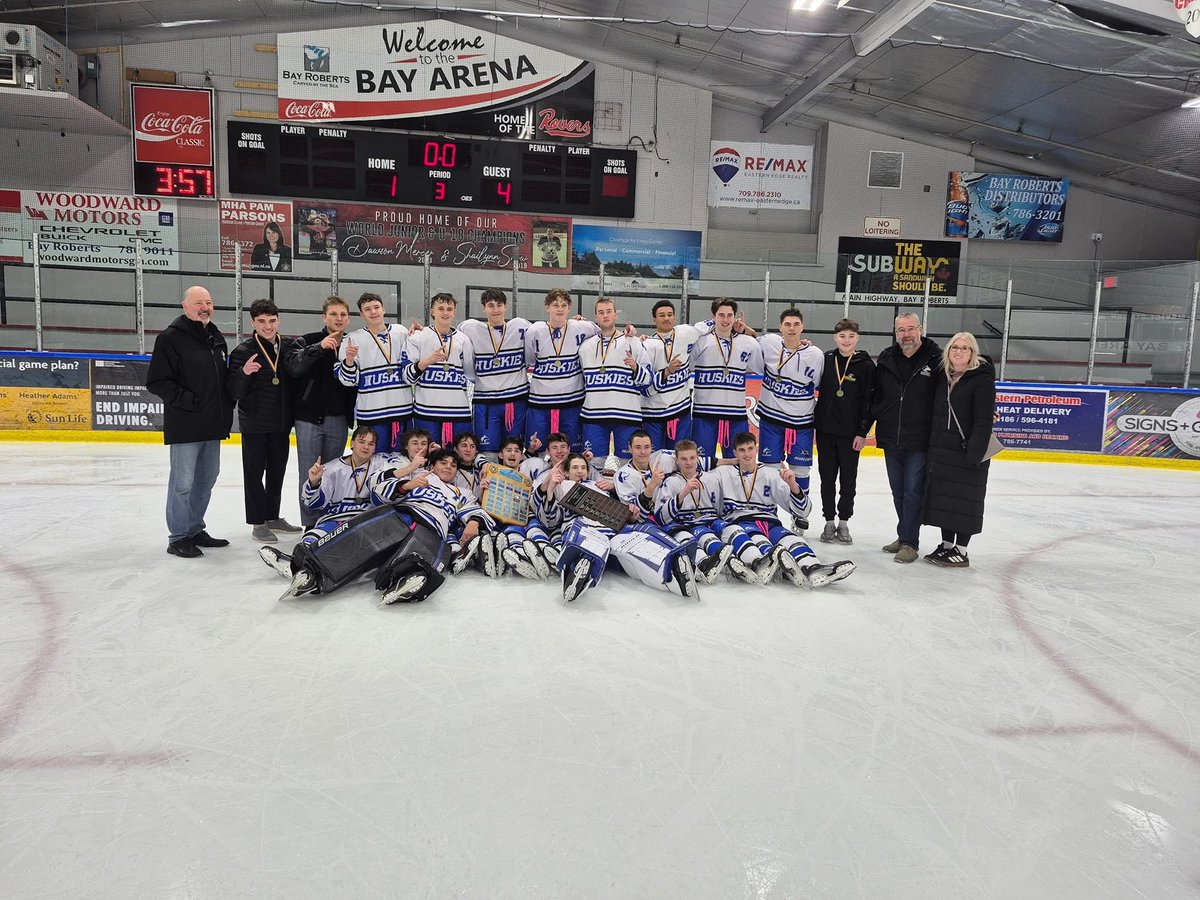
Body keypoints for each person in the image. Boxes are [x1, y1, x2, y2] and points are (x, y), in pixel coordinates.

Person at [146, 285, 234, 558]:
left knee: (206, 479)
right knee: (183, 483)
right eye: (199, 303)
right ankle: (178, 537)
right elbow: (157, 381)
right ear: (185, 306)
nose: (205, 307)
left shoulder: (216, 337)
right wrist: (190, 402)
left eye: (208, 302)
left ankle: (195, 529)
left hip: (212, 425)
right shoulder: (170, 338)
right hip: (186, 425)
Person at [536, 453, 697, 602]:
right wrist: (550, 490)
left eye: (583, 467)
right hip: (584, 527)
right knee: (588, 545)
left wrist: (631, 514)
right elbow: (550, 521)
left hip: (613, 531)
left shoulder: (600, 486)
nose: (580, 471)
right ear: (566, 472)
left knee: (639, 543)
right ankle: (576, 571)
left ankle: (672, 567)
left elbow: (620, 512)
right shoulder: (561, 486)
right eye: (575, 468)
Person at [708, 432, 854, 589]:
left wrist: (793, 485)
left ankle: (813, 569)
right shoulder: (723, 473)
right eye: (741, 450)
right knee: (756, 538)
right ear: (735, 453)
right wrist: (724, 461)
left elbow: (803, 511)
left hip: (769, 524)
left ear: (756, 450)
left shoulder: (771, 474)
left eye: (750, 448)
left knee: (793, 540)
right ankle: (761, 563)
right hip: (740, 523)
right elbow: (692, 466)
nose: (747, 454)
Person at [228, 298, 302, 542]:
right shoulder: (243, 352)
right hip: (255, 423)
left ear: (278, 321)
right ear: (253, 322)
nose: (267, 326)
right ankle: (258, 523)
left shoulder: (289, 346)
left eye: (272, 320)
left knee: (277, 472)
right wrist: (244, 373)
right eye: (261, 321)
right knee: (254, 474)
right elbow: (233, 391)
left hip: (281, 423)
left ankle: (272, 516)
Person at [870, 311, 941, 564]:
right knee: (898, 491)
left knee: (913, 492)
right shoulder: (887, 358)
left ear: (920, 329)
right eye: (901, 330)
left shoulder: (936, 359)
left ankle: (910, 542)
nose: (906, 334)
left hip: (920, 439)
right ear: (895, 332)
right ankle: (904, 536)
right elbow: (877, 395)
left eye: (911, 329)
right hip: (891, 436)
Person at [921, 332, 996, 568]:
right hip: (943, 450)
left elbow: (984, 421)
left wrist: (975, 453)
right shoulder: (943, 376)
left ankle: (961, 550)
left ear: (973, 353)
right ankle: (946, 545)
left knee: (965, 501)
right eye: (955, 347)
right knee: (945, 499)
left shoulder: (981, 380)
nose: (959, 352)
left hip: (969, 452)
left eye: (965, 348)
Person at [285, 295, 356, 528]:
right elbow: (293, 367)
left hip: (338, 419)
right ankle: (309, 524)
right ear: (324, 318)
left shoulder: (353, 343)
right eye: (333, 314)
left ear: (348, 319)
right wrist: (319, 348)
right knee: (309, 473)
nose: (339, 318)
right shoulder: (308, 341)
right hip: (308, 420)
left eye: (343, 314)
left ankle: (327, 522)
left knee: (332, 473)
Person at [814, 318, 875, 545]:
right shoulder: (826, 359)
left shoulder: (866, 366)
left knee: (848, 481)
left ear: (857, 338)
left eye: (850, 336)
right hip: (825, 432)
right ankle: (829, 521)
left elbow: (869, 401)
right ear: (835, 337)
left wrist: (862, 432)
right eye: (842, 336)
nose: (846, 340)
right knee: (827, 479)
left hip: (851, 435)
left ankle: (844, 522)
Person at [755, 309, 823, 500]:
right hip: (771, 421)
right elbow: (751, 340)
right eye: (787, 324)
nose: (791, 328)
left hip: (801, 424)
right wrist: (744, 329)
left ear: (802, 327)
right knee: (770, 469)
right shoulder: (769, 342)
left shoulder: (815, 355)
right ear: (780, 327)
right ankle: (769, 512)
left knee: (800, 470)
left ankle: (798, 512)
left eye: (796, 324)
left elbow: (819, 385)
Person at [578, 297, 650, 473]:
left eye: (609, 311)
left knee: (628, 467)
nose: (605, 315)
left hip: (627, 415)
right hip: (594, 415)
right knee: (592, 465)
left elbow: (649, 380)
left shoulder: (633, 342)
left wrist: (635, 368)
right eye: (601, 312)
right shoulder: (586, 347)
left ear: (615, 315)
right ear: (595, 317)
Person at [524, 287, 599, 452]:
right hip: (540, 403)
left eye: (564, 305)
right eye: (555, 305)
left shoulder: (583, 328)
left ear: (569, 308)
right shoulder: (535, 331)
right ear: (547, 307)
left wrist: (632, 334)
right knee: (535, 450)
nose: (560, 309)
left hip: (572, 403)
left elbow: (606, 335)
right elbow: (529, 360)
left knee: (572, 452)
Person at [458, 288, 531, 456]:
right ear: (483, 308)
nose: (495, 309)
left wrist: (574, 324)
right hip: (486, 403)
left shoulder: (520, 326)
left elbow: (548, 332)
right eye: (490, 305)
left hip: (516, 401)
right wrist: (420, 330)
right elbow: (447, 335)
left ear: (506, 306)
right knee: (488, 452)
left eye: (499, 304)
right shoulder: (470, 328)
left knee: (514, 451)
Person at [337, 292, 413, 453]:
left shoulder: (401, 332)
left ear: (383, 309)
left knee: (402, 461)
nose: (373, 312)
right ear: (361, 314)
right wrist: (349, 360)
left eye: (376, 307)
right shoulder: (352, 339)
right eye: (367, 309)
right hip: (371, 416)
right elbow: (348, 381)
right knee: (372, 462)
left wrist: (419, 333)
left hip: (403, 413)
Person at [690, 299, 763, 462]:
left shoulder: (748, 343)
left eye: (729, 315)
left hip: (735, 416)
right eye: (721, 315)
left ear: (735, 317)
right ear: (713, 317)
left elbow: (762, 368)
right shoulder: (701, 341)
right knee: (702, 463)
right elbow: (683, 362)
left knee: (738, 464)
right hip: (705, 415)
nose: (725, 319)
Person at [404, 292, 476, 444]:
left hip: (458, 413)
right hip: (426, 413)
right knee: (427, 456)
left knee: (457, 456)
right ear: (432, 312)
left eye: (449, 309)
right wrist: (429, 360)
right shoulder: (418, 337)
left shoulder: (463, 340)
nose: (445, 313)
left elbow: (470, 375)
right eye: (441, 308)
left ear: (454, 312)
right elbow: (407, 376)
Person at [640, 300, 701, 450]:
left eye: (670, 314)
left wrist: (742, 330)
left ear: (674, 317)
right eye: (662, 315)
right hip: (653, 415)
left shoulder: (687, 332)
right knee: (654, 459)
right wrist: (667, 372)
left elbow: (714, 325)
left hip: (680, 413)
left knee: (680, 457)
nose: (667, 318)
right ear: (654, 319)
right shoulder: (647, 346)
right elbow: (646, 390)